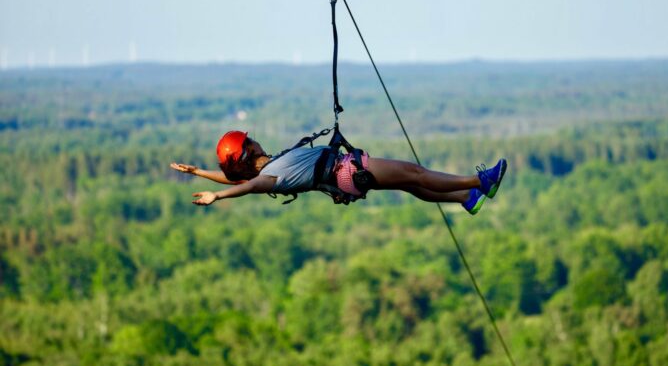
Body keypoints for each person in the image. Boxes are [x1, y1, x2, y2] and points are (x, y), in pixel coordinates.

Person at [171, 130, 507, 215]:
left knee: (411, 186)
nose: (255, 138)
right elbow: (247, 186)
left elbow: (237, 179)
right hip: (349, 171)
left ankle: (467, 198)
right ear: (247, 151)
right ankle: (481, 181)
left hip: (347, 178)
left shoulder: (267, 170)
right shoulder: (268, 177)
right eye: (250, 140)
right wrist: (219, 196)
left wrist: (199, 172)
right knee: (415, 173)